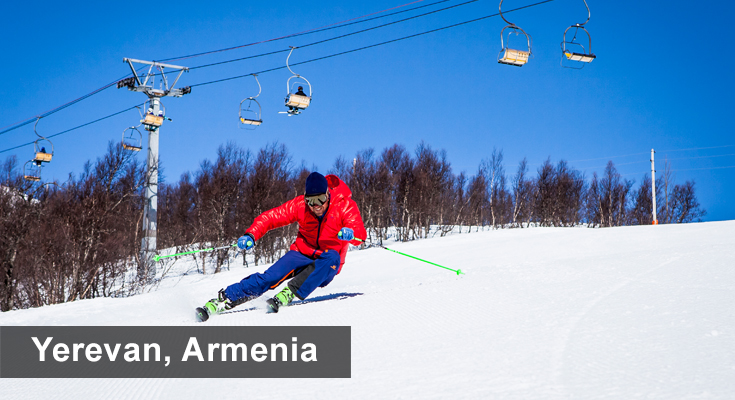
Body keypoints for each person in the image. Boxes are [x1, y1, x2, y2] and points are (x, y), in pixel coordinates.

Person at [200, 172, 367, 319]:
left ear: (327, 194)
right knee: (270, 277)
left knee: (332, 256)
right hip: (302, 253)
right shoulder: (300, 206)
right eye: (311, 201)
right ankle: (225, 299)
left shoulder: (344, 206)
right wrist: (251, 234)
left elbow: (360, 235)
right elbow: (271, 217)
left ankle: (290, 293)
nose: (316, 206)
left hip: (326, 264)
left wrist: (351, 234)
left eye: (320, 200)